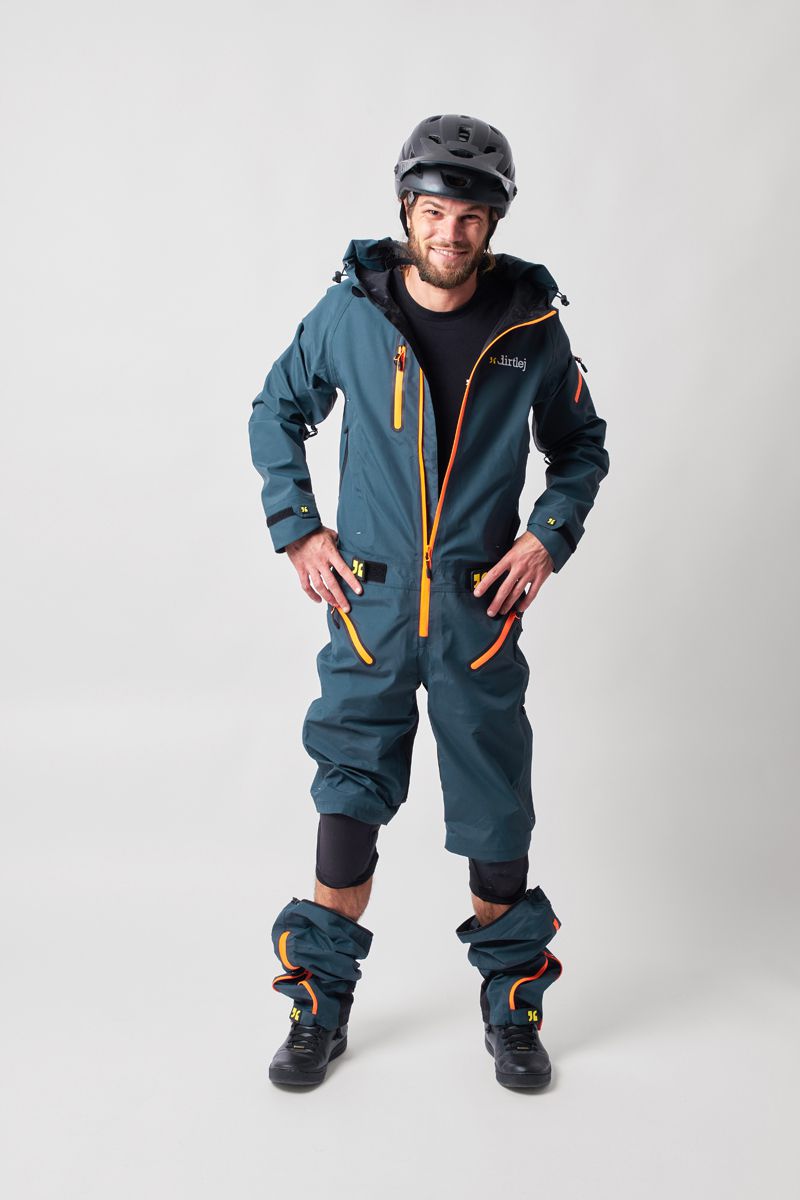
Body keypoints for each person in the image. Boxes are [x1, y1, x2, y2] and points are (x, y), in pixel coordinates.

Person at [248, 113, 609, 1090]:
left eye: (471, 217)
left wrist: (546, 535)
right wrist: (299, 527)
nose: (451, 232)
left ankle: (512, 1009)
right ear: (406, 210)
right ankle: (319, 1007)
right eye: (435, 211)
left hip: (474, 616)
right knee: (346, 803)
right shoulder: (350, 315)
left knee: (495, 821)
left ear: (494, 224)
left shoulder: (528, 328)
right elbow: (276, 410)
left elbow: (580, 445)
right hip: (368, 611)